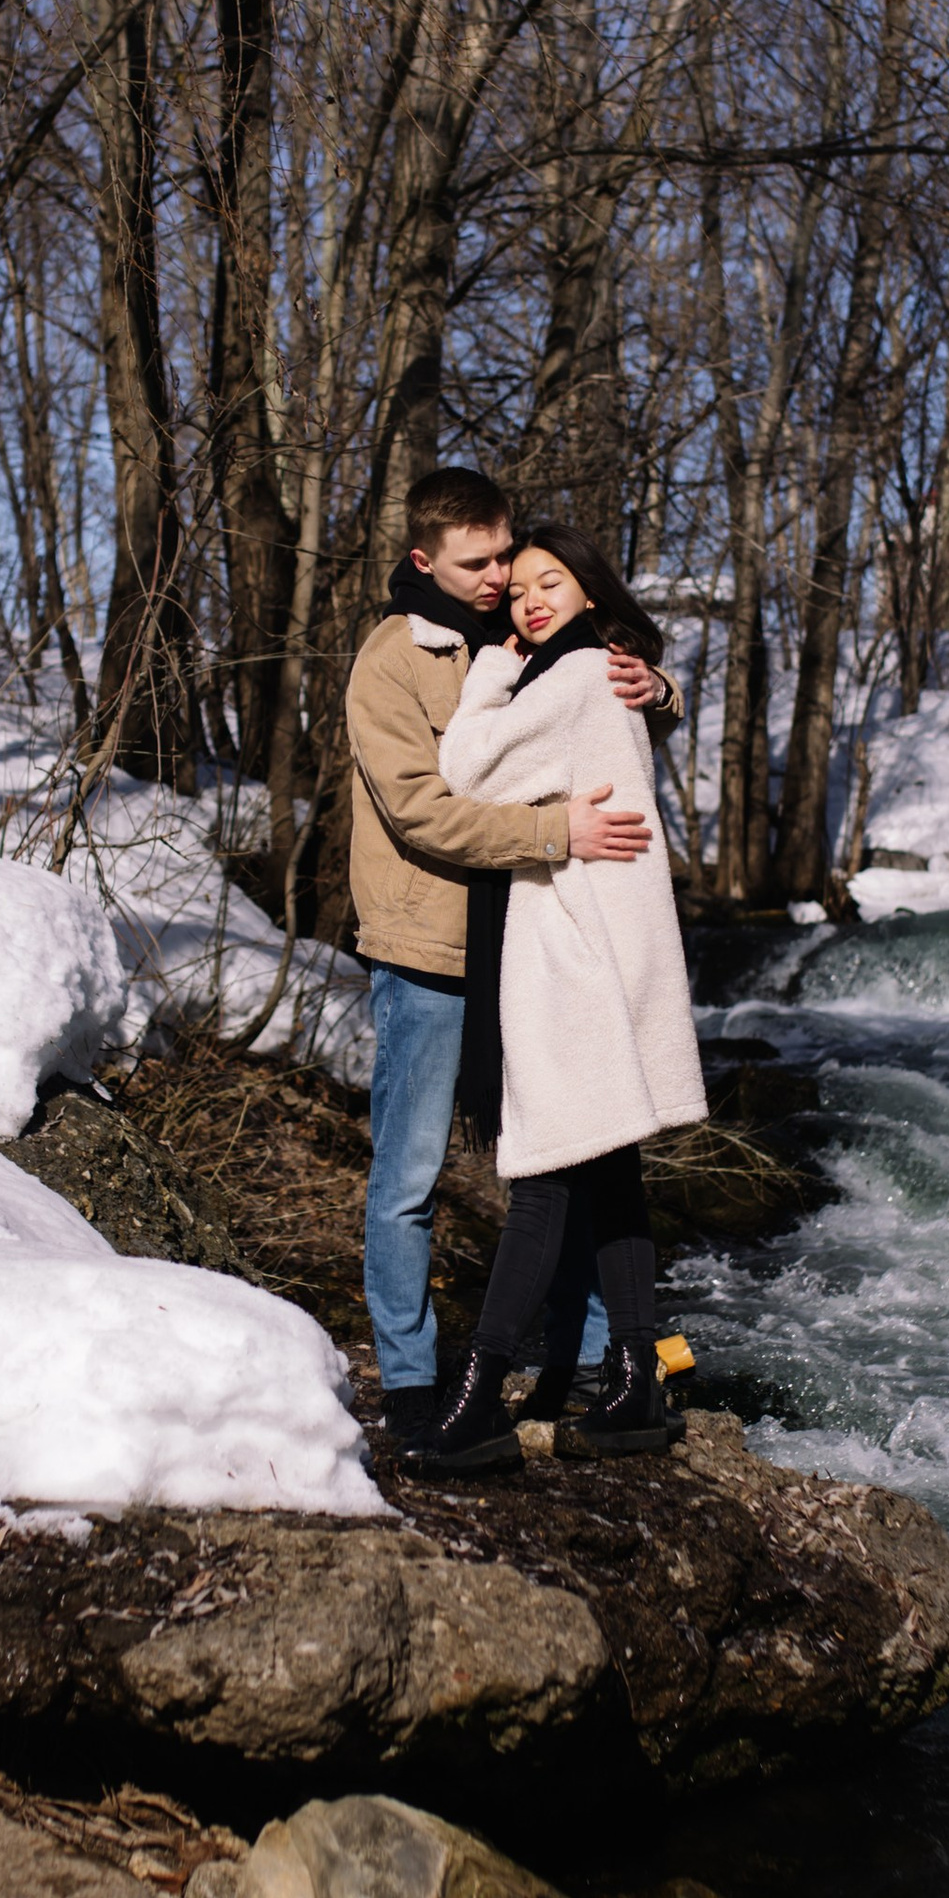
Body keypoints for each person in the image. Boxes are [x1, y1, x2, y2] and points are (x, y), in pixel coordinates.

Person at [344, 467, 668, 1446]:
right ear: (423, 559)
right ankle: (409, 1380)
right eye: (476, 563)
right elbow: (423, 810)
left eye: (504, 557)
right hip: (430, 945)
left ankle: (601, 1362)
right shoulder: (392, 661)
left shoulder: (520, 634)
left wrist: (657, 686)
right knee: (410, 1175)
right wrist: (552, 834)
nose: (497, 578)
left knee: (567, 1146)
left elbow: (598, 692)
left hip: (534, 943)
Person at [414, 520, 707, 1474]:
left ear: (591, 592)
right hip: (608, 945)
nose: (532, 598)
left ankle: (477, 1397)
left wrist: (492, 675)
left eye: (555, 581)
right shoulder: (601, 671)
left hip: (573, 956)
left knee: (540, 1173)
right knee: (610, 1169)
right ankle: (636, 1380)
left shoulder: (574, 675)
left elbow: (465, 769)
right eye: (523, 586)